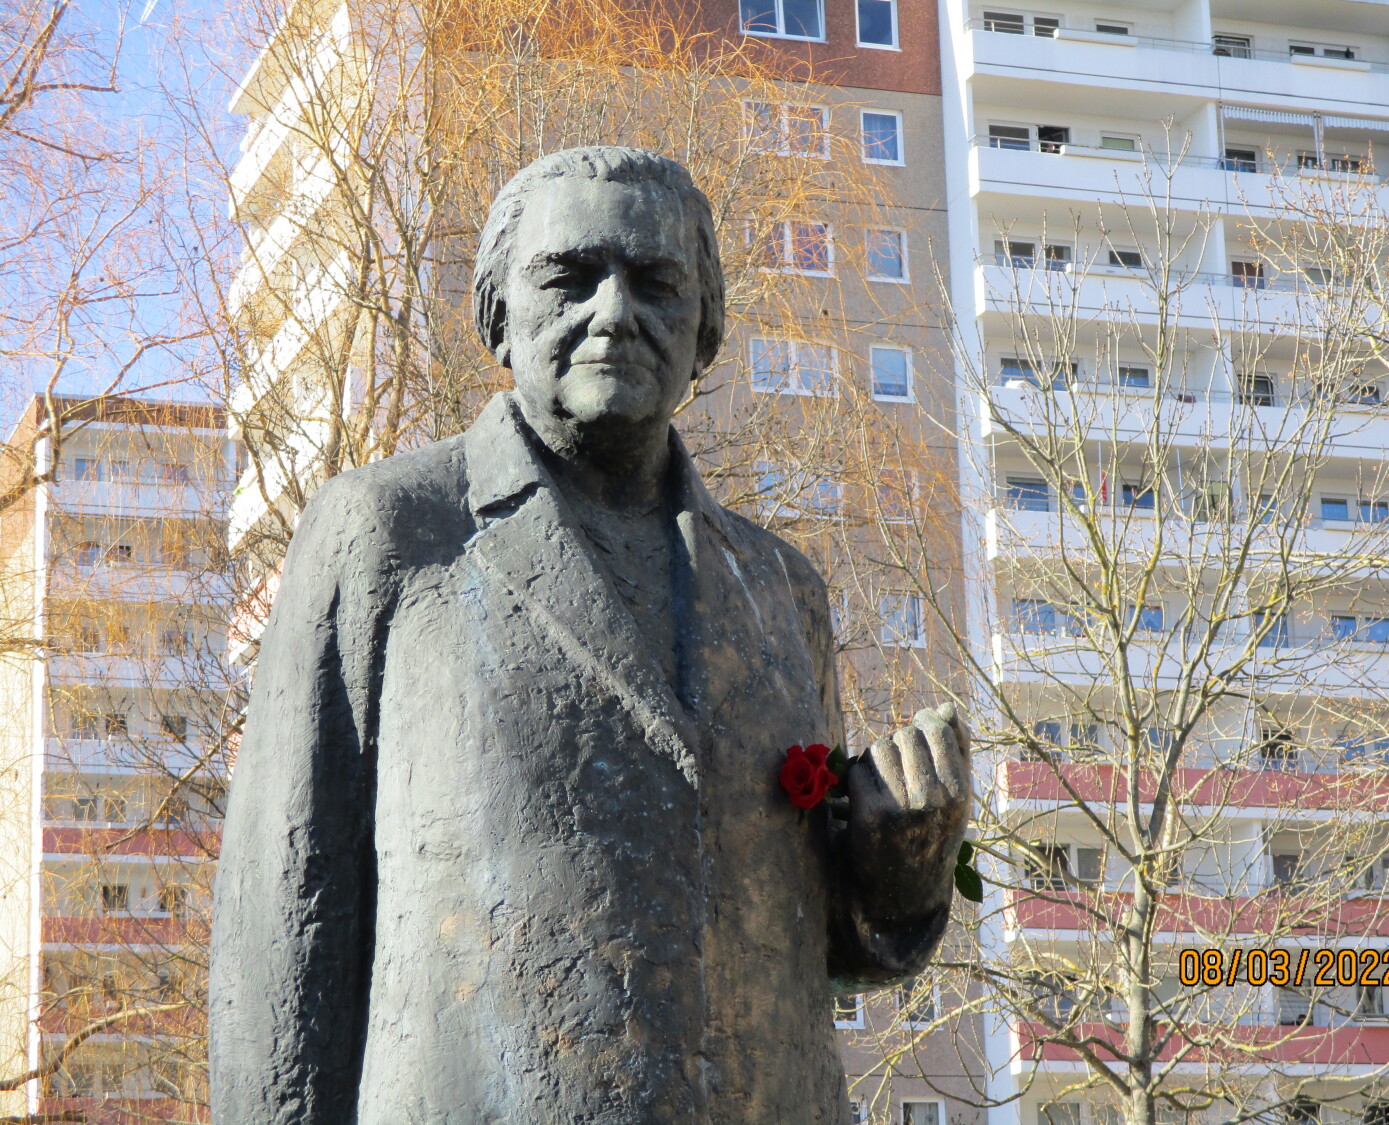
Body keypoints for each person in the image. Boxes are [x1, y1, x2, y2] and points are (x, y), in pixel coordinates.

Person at [210, 146, 969, 1123]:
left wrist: (900, 875)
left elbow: (812, 947)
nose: (614, 312)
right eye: (569, 277)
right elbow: (283, 922)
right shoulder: (388, 534)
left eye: (656, 282)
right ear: (499, 313)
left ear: (706, 328)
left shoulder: (785, 592)